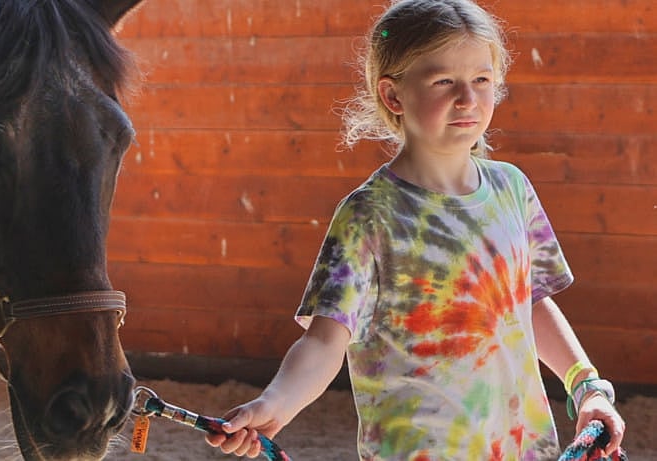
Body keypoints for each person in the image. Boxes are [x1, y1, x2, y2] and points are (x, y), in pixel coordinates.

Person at [204, 0, 627, 459]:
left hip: (523, 449)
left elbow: (528, 300)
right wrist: (275, 404)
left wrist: (588, 386)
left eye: (481, 80)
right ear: (393, 96)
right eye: (444, 81)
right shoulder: (369, 216)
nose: (467, 98)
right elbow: (325, 341)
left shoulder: (513, 190)